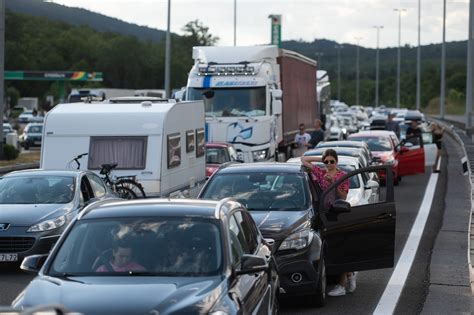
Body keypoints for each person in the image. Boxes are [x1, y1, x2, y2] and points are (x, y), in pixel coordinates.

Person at [301, 149, 355, 297]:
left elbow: (343, 196)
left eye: (332, 161)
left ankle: (342, 285)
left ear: (337, 162)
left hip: (338, 212)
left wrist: (334, 183)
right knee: (330, 249)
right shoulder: (320, 172)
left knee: (339, 248)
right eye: (327, 161)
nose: (329, 164)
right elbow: (304, 159)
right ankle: (350, 275)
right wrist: (321, 158)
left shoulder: (342, 175)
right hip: (324, 215)